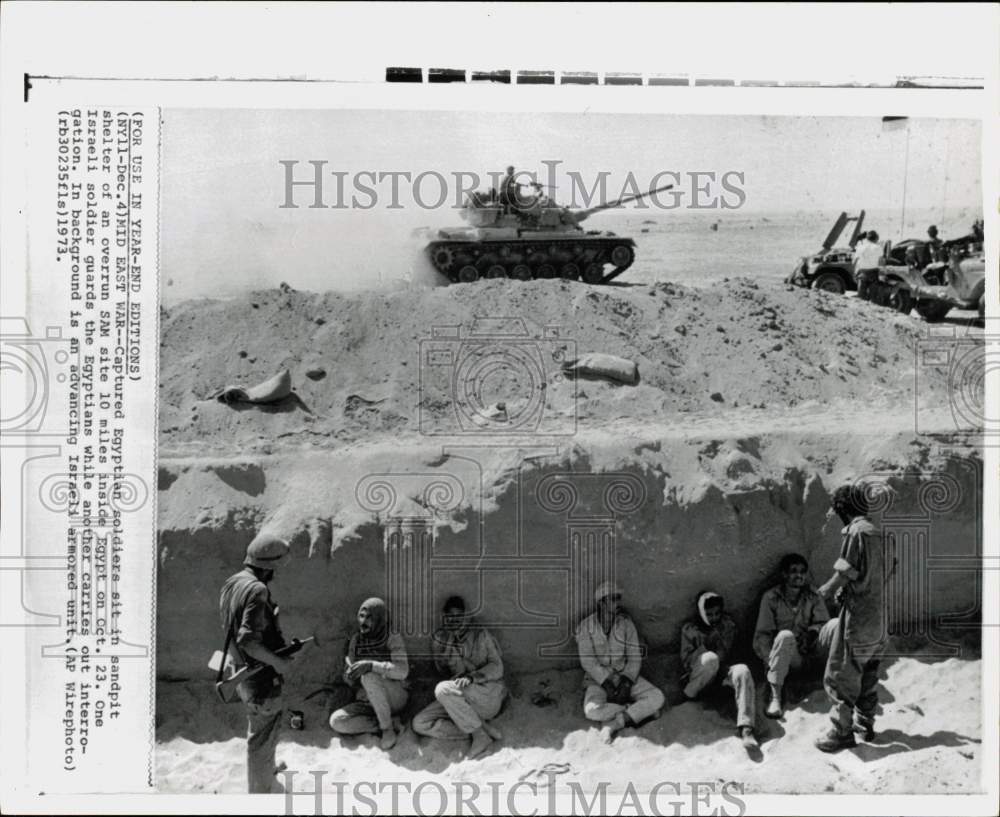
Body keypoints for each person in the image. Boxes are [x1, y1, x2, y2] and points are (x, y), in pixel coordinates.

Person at [815, 484, 897, 752]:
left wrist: (826, 590)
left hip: (859, 619)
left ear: (842, 509)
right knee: (870, 671)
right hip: (881, 618)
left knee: (841, 674)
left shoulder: (855, 531)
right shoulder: (882, 534)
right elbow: (882, 573)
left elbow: (847, 570)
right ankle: (865, 724)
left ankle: (841, 733)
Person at [219, 532, 294, 793]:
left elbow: (235, 626)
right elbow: (248, 640)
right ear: (267, 566)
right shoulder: (258, 589)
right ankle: (261, 789)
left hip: (241, 672)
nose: (275, 574)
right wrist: (279, 662)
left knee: (260, 729)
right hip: (260, 677)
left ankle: (266, 771)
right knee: (262, 735)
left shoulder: (233, 582)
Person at [411, 595, 506, 758]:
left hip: (485, 696)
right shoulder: (442, 639)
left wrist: (472, 677)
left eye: (458, 616)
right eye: (449, 617)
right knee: (419, 723)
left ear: (465, 617)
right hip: (458, 701)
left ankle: (479, 736)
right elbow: (443, 673)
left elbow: (497, 667)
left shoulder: (480, 635)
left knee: (442, 690)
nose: (454, 621)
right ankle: (479, 728)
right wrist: (443, 649)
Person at [575, 582, 665, 743]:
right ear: (602, 603)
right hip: (598, 680)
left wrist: (627, 681)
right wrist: (606, 682)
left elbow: (634, 656)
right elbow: (588, 661)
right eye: (613, 599)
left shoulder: (625, 624)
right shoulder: (586, 626)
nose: (618, 603)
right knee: (591, 711)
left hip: (623, 675)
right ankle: (634, 711)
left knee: (657, 697)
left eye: (618, 599)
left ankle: (615, 723)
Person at [753, 554, 836, 718]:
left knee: (835, 625)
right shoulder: (771, 598)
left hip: (811, 655)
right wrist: (772, 661)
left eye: (803, 571)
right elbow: (762, 636)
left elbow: (823, 623)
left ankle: (838, 683)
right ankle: (775, 696)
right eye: (794, 571)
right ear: (784, 574)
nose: (799, 575)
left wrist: (813, 632)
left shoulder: (812, 595)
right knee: (785, 636)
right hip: (789, 660)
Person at [680, 591, 759, 754]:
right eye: (709, 614)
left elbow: (736, 652)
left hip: (723, 676)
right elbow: (686, 661)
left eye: (717, 613)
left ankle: (746, 728)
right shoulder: (690, 630)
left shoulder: (728, 626)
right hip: (702, 679)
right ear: (701, 613)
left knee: (742, 670)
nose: (714, 617)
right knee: (710, 659)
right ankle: (689, 697)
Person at [329, 597, 409, 750]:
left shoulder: (392, 637)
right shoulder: (356, 640)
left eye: (370, 617)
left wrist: (372, 666)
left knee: (369, 676)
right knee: (337, 721)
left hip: (395, 696)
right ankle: (384, 724)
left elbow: (402, 671)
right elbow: (351, 679)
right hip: (368, 701)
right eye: (362, 615)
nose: (364, 621)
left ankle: (387, 729)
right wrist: (349, 675)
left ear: (379, 619)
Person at [854, 230, 883, 301]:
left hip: (862, 273)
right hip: (873, 273)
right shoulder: (878, 248)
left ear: (867, 239)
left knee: (861, 298)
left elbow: (855, 261)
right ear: (876, 239)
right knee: (873, 298)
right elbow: (881, 262)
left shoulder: (860, 247)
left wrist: (855, 273)